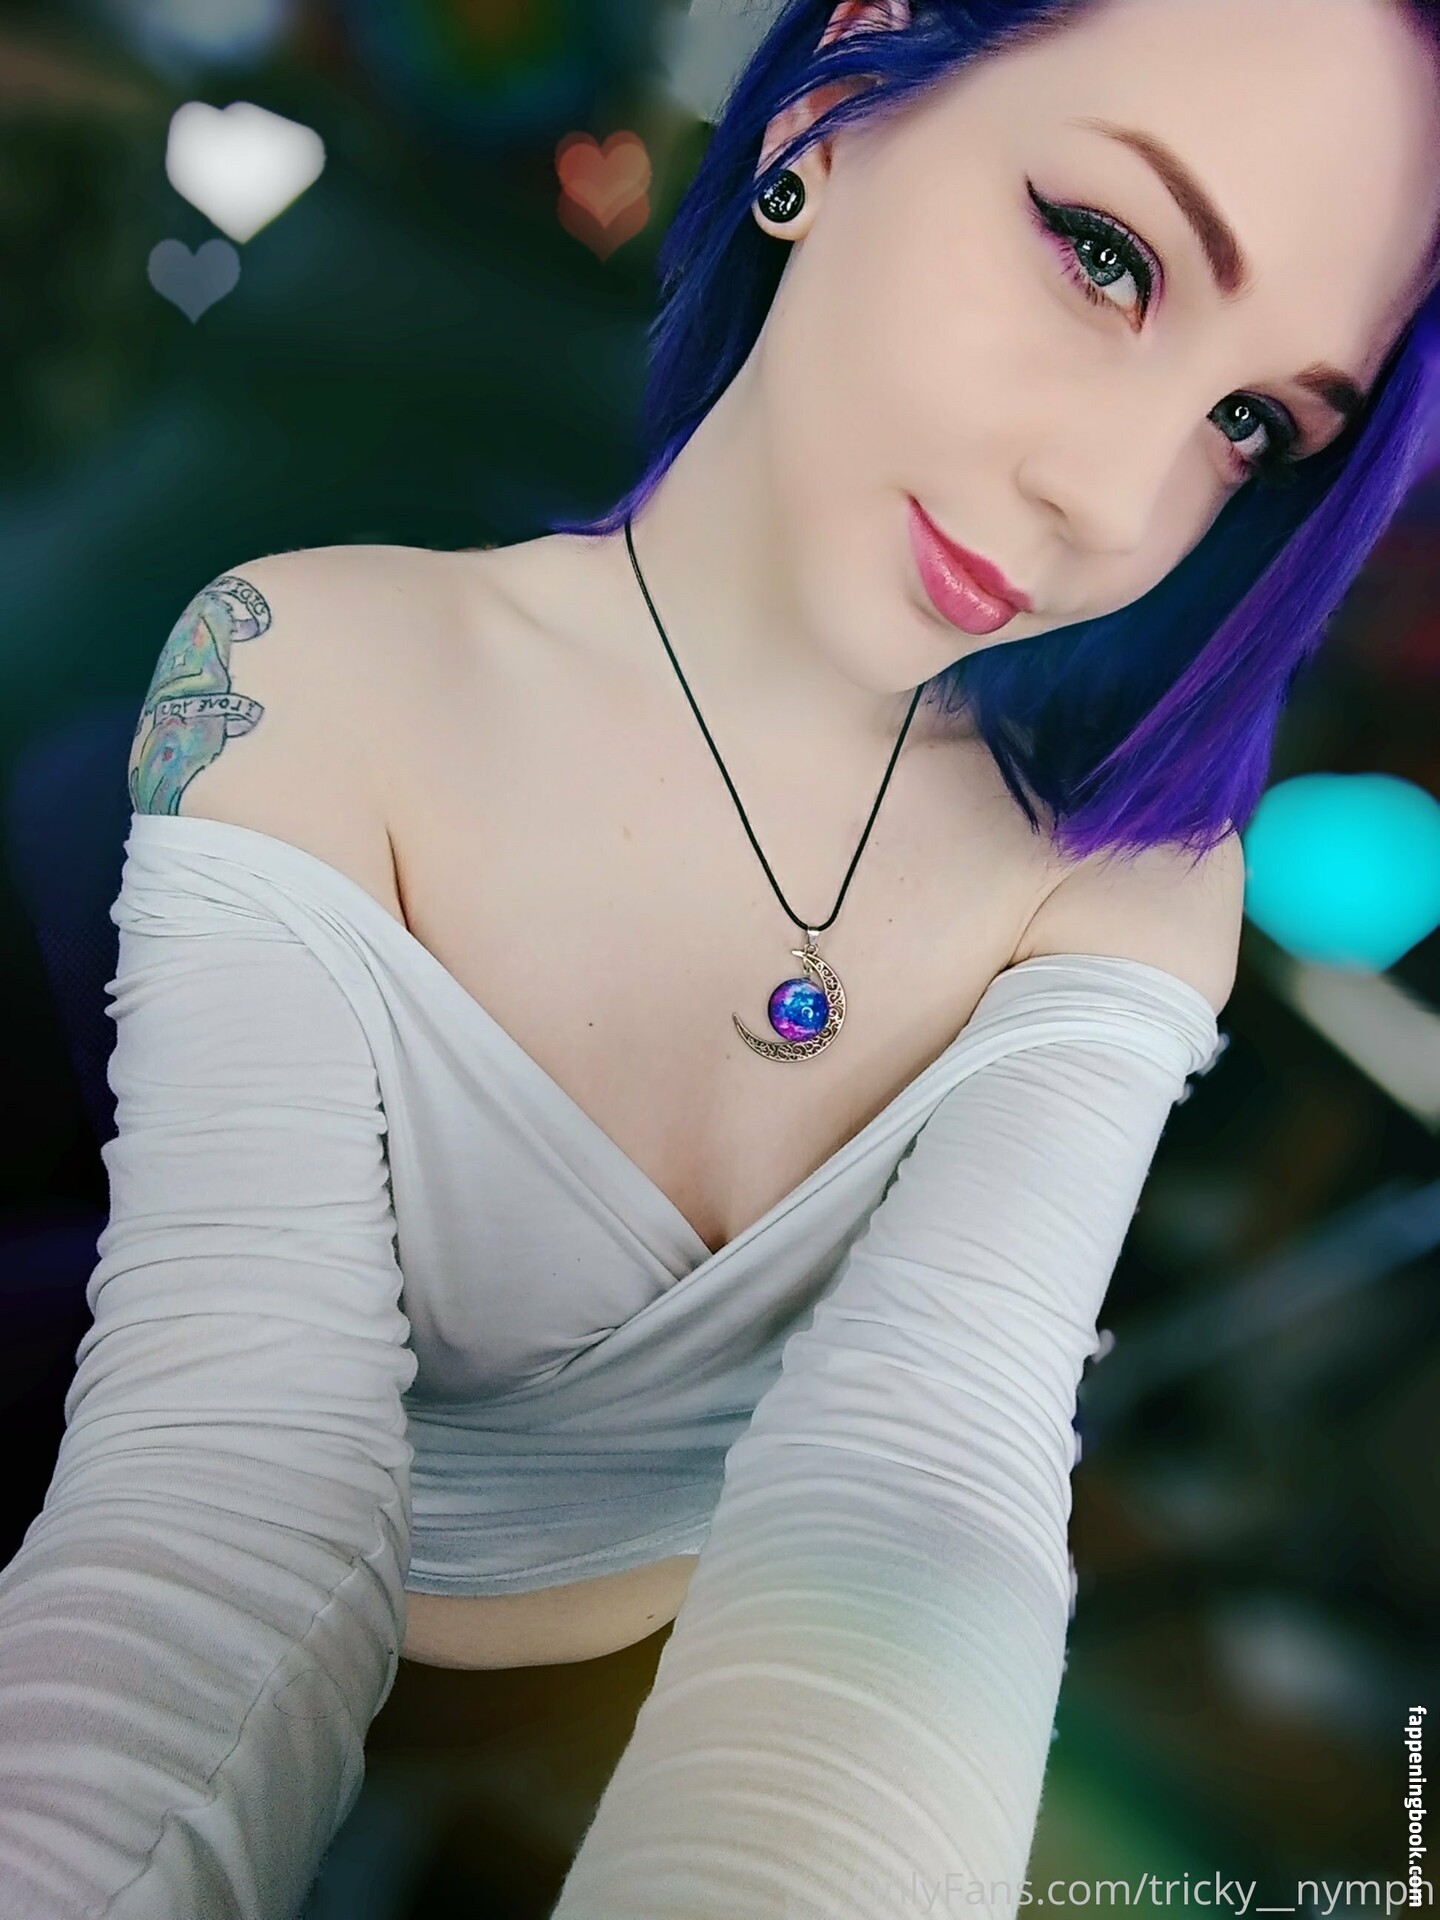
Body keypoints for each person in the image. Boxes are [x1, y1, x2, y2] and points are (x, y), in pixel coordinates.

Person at [2, 0, 1439, 1914]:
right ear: (835, 99)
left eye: (1251, 425)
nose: (1113, 499)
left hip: (610, 1725)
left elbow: (933, 1487)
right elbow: (225, 1497)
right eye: (1106, 255)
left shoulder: (1122, 875)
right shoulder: (305, 666)